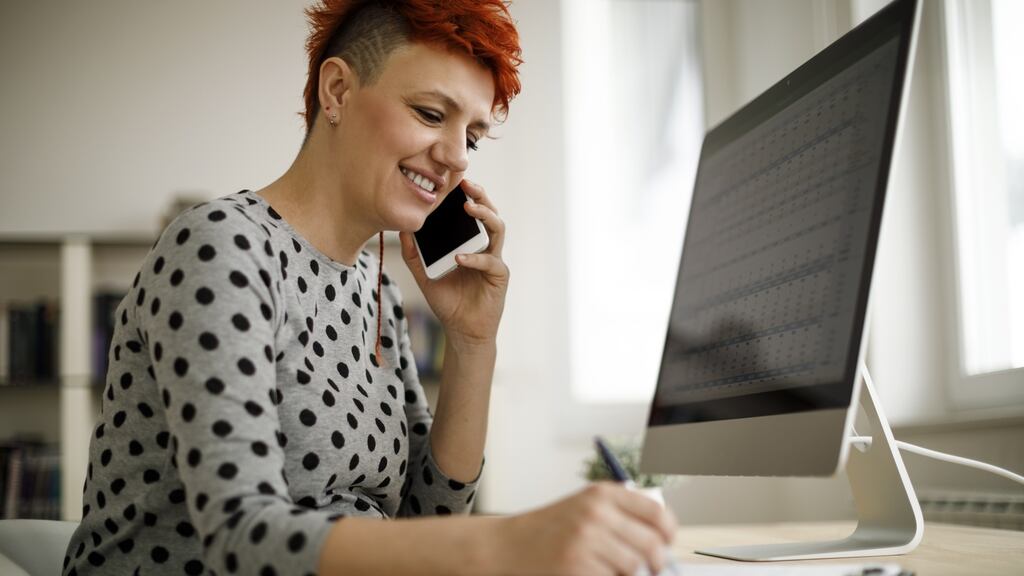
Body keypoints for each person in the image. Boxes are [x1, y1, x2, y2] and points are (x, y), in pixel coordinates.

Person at [63, 1, 677, 574]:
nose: (457, 157)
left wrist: (471, 344)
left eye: (472, 136)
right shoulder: (220, 245)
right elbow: (242, 536)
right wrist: (514, 538)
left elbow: (426, 518)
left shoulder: (370, 284)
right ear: (338, 91)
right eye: (431, 114)